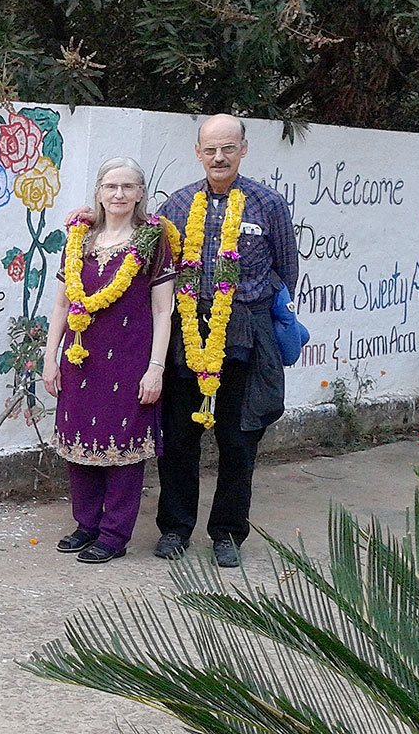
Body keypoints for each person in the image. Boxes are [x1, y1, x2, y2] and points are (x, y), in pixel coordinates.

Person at [153, 113, 298, 567]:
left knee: (238, 439)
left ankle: (228, 533)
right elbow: (149, 255)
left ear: (243, 149)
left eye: (228, 148)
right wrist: (88, 217)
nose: (219, 157)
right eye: (210, 149)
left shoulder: (267, 204)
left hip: (247, 336)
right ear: (198, 152)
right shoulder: (176, 205)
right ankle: (175, 528)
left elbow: (287, 271)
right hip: (187, 336)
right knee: (179, 438)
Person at [43, 157, 175, 563]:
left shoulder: (152, 241)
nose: (119, 194)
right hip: (81, 358)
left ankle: (114, 535)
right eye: (111, 187)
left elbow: (162, 311)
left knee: (123, 447)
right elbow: (62, 304)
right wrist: (50, 359)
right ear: (98, 192)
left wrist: (156, 368)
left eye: (128, 187)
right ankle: (86, 524)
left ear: (141, 194)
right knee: (78, 443)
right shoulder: (79, 238)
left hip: (130, 360)